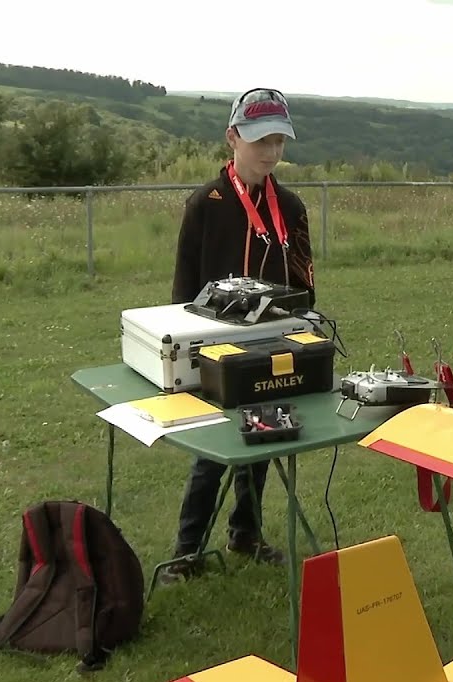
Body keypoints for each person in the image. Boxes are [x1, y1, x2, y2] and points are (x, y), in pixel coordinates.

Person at [160, 88, 317, 583]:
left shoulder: (289, 206)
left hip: (271, 345)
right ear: (232, 137)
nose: (271, 153)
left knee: (264, 438)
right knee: (212, 451)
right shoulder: (205, 203)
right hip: (211, 347)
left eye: (279, 142)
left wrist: (301, 322)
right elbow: (184, 285)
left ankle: (246, 535)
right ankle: (187, 552)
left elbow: (303, 285)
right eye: (260, 141)